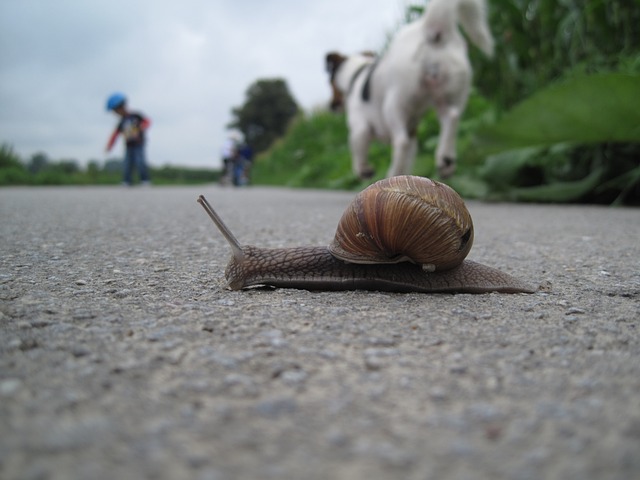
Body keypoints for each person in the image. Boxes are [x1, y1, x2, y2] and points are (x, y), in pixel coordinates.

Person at [105, 93, 151, 186]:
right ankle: (127, 181)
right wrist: (110, 145)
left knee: (140, 161)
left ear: (121, 107)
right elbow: (115, 134)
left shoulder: (136, 115)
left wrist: (141, 128)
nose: (115, 113)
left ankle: (145, 180)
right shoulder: (121, 122)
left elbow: (147, 121)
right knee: (127, 163)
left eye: (115, 111)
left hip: (138, 144)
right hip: (128, 145)